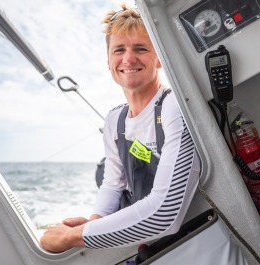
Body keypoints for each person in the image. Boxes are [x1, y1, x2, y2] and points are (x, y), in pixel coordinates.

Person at [40, 4, 200, 253]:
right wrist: (96, 222)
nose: (128, 58)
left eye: (140, 48)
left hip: (197, 239)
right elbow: (113, 184)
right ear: (109, 62)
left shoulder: (173, 106)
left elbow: (164, 213)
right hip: (152, 247)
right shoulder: (114, 120)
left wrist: (71, 236)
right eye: (119, 50)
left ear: (159, 59)